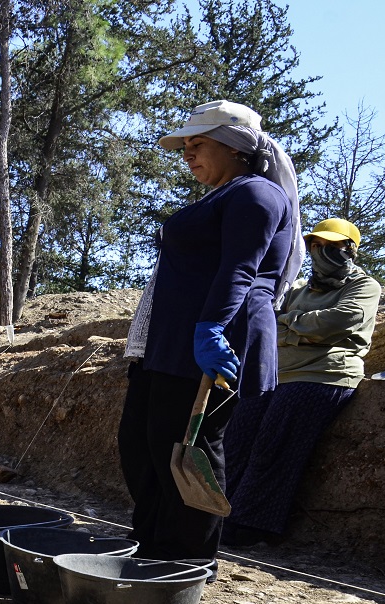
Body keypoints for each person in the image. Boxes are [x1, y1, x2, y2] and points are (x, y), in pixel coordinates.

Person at [118, 100, 301, 563]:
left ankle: (187, 558)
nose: (187, 153)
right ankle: (153, 544)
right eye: (184, 146)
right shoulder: (223, 195)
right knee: (145, 445)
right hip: (173, 341)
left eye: (197, 143)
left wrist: (211, 329)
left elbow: (240, 268)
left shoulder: (256, 195)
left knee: (189, 447)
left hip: (214, 339)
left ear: (234, 146)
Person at [221, 218, 381, 546]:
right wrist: (302, 331)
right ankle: (218, 514)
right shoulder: (297, 289)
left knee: (274, 443)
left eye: (333, 247)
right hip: (279, 374)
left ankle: (252, 525)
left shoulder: (364, 287)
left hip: (325, 376)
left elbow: (341, 319)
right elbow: (264, 322)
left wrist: (289, 325)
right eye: (317, 246)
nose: (323, 252)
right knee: (238, 433)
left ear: (351, 250)